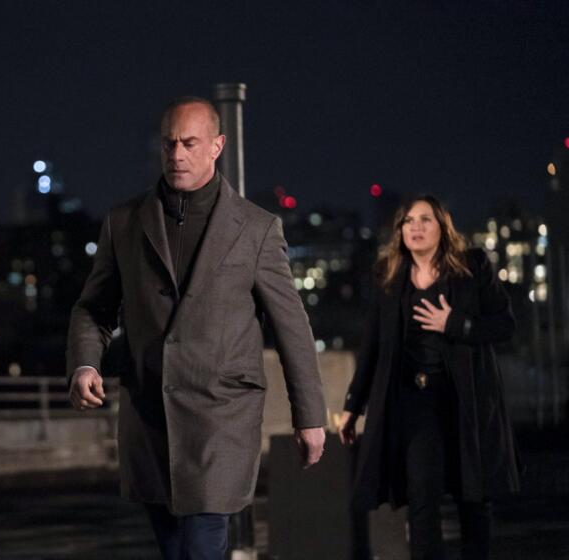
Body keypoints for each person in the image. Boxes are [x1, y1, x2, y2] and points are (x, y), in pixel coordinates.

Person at [66, 96, 327, 560]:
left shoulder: (257, 228)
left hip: (221, 415)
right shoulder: (125, 222)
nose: (177, 154)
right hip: (150, 414)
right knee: (175, 549)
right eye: (169, 144)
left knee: (203, 544)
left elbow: (291, 326)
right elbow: (93, 307)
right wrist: (86, 363)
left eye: (189, 143)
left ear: (217, 146)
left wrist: (309, 416)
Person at [338, 195, 521, 559]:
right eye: (408, 221)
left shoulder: (472, 267)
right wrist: (352, 407)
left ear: (443, 227)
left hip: (465, 401)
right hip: (414, 403)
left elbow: (505, 324)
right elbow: (371, 347)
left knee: (472, 501)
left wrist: (455, 323)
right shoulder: (388, 276)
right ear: (399, 230)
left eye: (425, 219)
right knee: (421, 498)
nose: (416, 227)